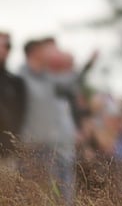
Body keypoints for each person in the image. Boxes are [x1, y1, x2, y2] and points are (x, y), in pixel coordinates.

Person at [17, 37, 78, 204]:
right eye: (45, 51)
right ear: (35, 53)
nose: (49, 54)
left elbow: (71, 81)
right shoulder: (19, 80)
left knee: (55, 197)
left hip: (52, 150)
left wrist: (80, 63)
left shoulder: (49, 79)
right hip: (30, 149)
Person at [0, 30, 27, 171]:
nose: (4, 49)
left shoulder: (16, 83)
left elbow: (20, 117)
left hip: (7, 152)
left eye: (8, 46)